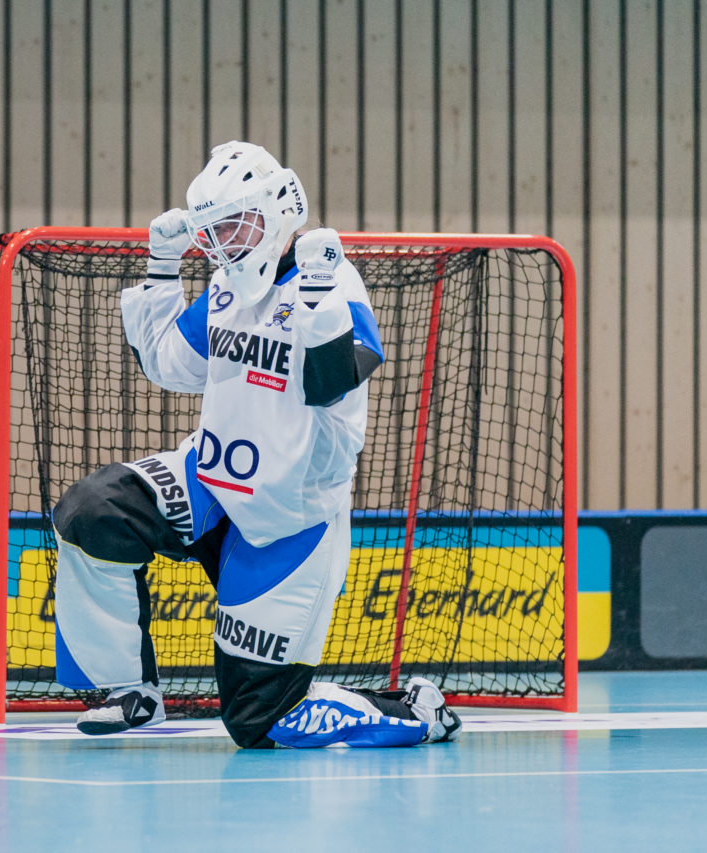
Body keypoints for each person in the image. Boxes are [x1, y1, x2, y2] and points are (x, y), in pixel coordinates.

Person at [49, 140, 461, 748]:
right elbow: (170, 366)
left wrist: (318, 305)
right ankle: (130, 688)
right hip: (210, 482)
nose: (223, 246)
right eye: (211, 234)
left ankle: (416, 714)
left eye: (235, 226)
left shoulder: (336, 283)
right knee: (93, 510)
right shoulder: (224, 287)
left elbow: (330, 383)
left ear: (278, 209)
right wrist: (162, 268)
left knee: (261, 723)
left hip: (286, 518)